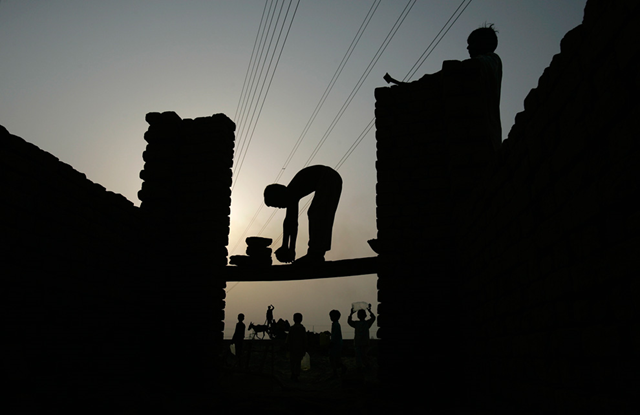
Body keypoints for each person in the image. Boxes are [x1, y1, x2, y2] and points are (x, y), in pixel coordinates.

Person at [383, 24, 502, 151]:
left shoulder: (492, 60)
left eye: (472, 42)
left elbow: (466, 68)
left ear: (483, 43)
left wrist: (431, 78)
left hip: (485, 139)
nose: (468, 47)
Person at [264, 165, 342, 265]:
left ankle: (315, 255)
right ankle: (316, 253)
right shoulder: (292, 194)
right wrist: (287, 248)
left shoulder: (291, 192)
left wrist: (289, 249)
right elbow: (290, 223)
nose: (280, 207)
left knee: (317, 213)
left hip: (329, 178)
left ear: (279, 195)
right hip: (331, 178)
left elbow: (291, 224)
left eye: (277, 204)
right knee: (317, 213)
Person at [348, 304, 376, 371]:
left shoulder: (357, 324)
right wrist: (370, 311)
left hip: (359, 343)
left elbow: (349, 322)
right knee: (363, 357)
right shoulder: (367, 323)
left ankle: (362, 367)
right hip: (364, 343)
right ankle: (365, 367)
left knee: (360, 357)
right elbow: (373, 318)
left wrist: (351, 314)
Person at [286, 312, 308, 381]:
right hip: (300, 348)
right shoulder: (302, 328)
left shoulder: (292, 328)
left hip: (292, 348)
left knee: (292, 362)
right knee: (298, 362)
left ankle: (292, 374)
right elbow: (304, 339)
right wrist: (305, 348)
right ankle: (296, 375)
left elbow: (289, 338)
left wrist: (287, 346)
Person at [329, 309, 347, 379]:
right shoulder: (336, 324)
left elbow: (335, 336)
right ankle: (338, 371)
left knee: (334, 359)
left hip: (336, 345)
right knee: (335, 359)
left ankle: (337, 371)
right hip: (337, 344)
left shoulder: (336, 325)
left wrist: (331, 343)